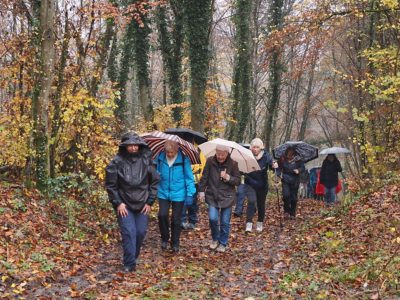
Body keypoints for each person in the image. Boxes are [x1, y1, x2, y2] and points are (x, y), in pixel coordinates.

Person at [105, 132, 160, 272]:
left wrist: (150, 202)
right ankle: (129, 263)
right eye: (130, 145)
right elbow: (111, 185)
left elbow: (154, 182)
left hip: (143, 203)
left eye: (135, 145)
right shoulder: (116, 162)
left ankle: (132, 256)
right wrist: (118, 203)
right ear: (125, 146)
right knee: (129, 232)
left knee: (140, 232)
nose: (133, 148)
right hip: (124, 204)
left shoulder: (147, 160)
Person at [198, 144, 240, 252]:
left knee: (225, 222)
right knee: (213, 218)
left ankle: (223, 243)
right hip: (212, 195)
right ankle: (215, 239)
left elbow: (237, 181)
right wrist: (201, 191)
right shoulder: (210, 161)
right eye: (218, 154)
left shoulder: (233, 163)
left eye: (222, 155)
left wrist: (228, 177)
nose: (220, 157)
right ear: (215, 152)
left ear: (227, 153)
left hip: (228, 197)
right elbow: (204, 177)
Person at [155, 140, 196, 252]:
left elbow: (189, 178)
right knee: (162, 215)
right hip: (163, 191)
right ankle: (164, 238)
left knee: (176, 219)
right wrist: (156, 175)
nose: (169, 154)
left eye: (172, 152)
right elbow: (155, 171)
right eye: (168, 152)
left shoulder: (183, 159)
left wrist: (190, 194)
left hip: (179, 193)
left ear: (176, 150)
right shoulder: (160, 157)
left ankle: (175, 242)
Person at [243, 138, 278, 233]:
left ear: (261, 148)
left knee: (261, 204)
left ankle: (260, 223)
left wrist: (274, 165)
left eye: (257, 147)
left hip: (262, 184)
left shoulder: (266, 156)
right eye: (253, 147)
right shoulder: (247, 155)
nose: (255, 149)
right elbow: (241, 169)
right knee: (251, 201)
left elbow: (271, 165)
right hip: (250, 182)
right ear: (251, 148)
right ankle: (249, 224)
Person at [277, 147, 305, 219]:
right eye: (289, 151)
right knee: (286, 195)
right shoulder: (282, 158)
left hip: (295, 180)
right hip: (285, 179)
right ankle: (286, 211)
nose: (290, 153)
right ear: (287, 151)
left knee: (294, 198)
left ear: (294, 152)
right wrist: (278, 174)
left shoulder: (298, 159)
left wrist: (298, 170)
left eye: (292, 151)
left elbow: (303, 167)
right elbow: (279, 168)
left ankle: (292, 214)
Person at [181, 150, 206, 230]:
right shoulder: (181, 150)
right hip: (182, 181)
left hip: (195, 182)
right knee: (182, 202)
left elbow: (203, 166)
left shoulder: (199, 151)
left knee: (192, 203)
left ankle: (192, 221)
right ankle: (182, 220)